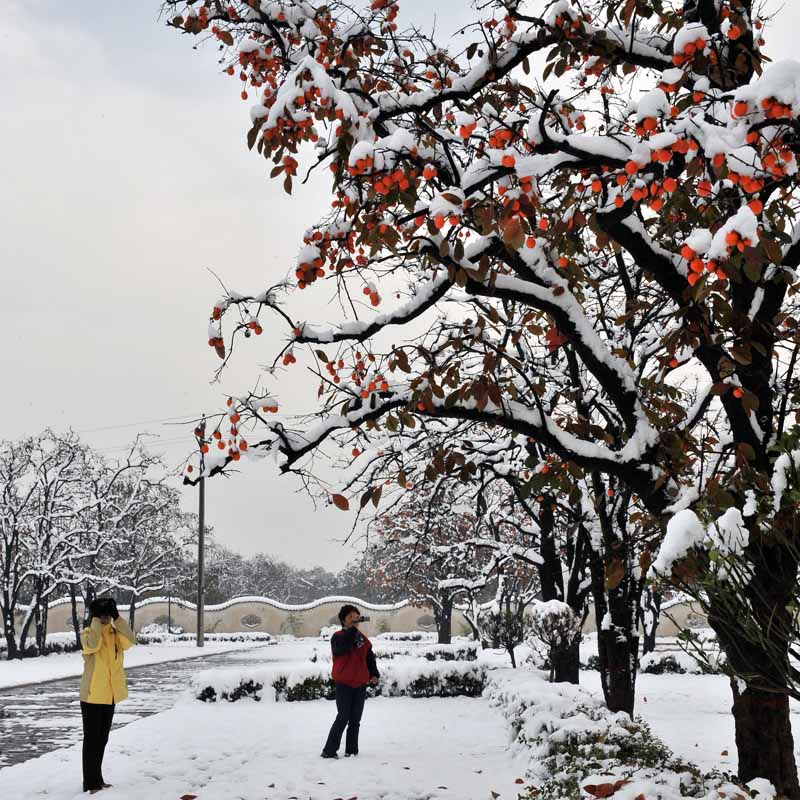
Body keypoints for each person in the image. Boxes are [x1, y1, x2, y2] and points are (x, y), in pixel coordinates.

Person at [79, 597, 135, 794]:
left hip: (109, 695)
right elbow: (93, 645)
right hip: (92, 695)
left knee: (102, 739)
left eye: (107, 614)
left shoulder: (115, 633)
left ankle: (98, 779)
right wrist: (94, 619)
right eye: (102, 614)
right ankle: (90, 783)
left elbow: (130, 641)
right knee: (91, 740)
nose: (105, 617)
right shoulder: (87, 633)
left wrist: (118, 618)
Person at [321, 604, 379, 759]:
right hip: (344, 683)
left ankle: (352, 751)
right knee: (343, 716)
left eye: (356, 616)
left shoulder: (362, 639)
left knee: (355, 719)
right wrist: (353, 630)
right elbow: (343, 649)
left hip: (360, 683)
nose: (355, 619)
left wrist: (374, 673)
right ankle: (329, 750)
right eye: (351, 617)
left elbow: (369, 657)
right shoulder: (338, 636)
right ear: (343, 620)